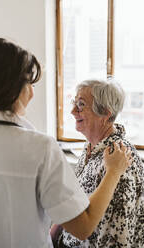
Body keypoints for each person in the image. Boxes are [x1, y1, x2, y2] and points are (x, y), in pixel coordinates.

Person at [0, 39, 131, 248]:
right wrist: (113, 172)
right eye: (29, 84)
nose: (32, 93)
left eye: (81, 104)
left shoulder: (124, 158)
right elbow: (82, 226)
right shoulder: (40, 149)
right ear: (11, 88)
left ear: (105, 113)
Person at [60, 79, 144, 248]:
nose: (72, 110)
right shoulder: (91, 146)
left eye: (81, 104)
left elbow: (117, 236)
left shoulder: (120, 159)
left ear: (105, 114)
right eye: (74, 103)